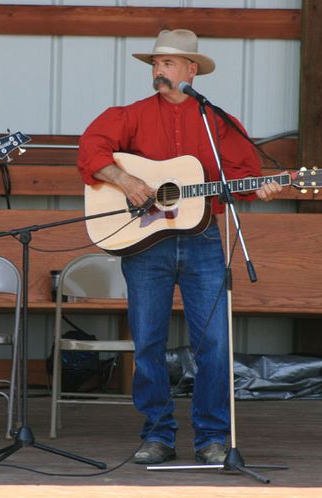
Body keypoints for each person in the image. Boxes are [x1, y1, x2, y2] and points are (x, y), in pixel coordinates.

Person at [77, 29, 282, 465]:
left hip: (203, 240)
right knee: (148, 342)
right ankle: (157, 434)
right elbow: (90, 149)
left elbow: (244, 173)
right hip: (145, 245)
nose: (158, 71)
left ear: (192, 70)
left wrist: (260, 188)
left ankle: (212, 437)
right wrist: (126, 180)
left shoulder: (216, 121)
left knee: (214, 343)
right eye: (155, 63)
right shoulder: (129, 115)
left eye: (168, 64)